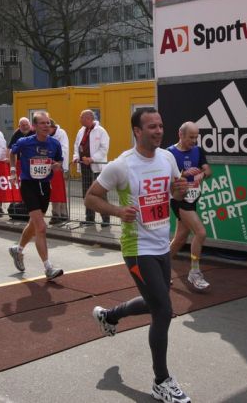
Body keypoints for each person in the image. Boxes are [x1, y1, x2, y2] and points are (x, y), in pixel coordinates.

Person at [85, 108, 191, 403]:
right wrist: (118, 211)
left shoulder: (167, 158)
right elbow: (91, 197)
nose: (158, 131)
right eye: (152, 127)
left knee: (156, 301)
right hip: (137, 248)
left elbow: (175, 194)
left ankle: (109, 316)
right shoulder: (121, 165)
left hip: (161, 245)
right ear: (137, 131)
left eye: (160, 125)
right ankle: (161, 381)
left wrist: (180, 190)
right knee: (163, 309)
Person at [7, 111, 65, 281]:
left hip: (45, 186)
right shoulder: (25, 142)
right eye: (42, 123)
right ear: (34, 126)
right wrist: (12, 171)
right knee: (41, 227)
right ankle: (48, 267)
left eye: (48, 123)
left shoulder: (55, 143)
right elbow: (12, 153)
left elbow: (59, 161)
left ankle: (17, 250)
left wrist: (56, 165)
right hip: (28, 185)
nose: (46, 126)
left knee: (34, 224)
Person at [167, 121, 212, 291]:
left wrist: (202, 175)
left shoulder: (198, 150)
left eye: (196, 137)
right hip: (179, 198)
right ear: (181, 134)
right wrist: (184, 174)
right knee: (201, 233)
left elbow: (208, 170)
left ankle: (161, 269)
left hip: (193, 199)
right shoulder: (169, 153)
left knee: (180, 238)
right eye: (191, 137)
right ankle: (194, 272)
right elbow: (166, 177)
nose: (194, 141)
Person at [72, 109, 110, 225]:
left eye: (81, 117)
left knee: (100, 194)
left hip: (97, 167)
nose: (79, 119)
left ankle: (106, 219)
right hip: (84, 166)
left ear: (88, 118)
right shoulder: (81, 131)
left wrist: (92, 159)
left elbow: (104, 149)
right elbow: (76, 146)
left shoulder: (101, 131)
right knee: (86, 193)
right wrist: (76, 157)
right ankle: (89, 218)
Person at [48, 118, 69, 225]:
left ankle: (61, 214)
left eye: (48, 129)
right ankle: (58, 214)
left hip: (60, 167)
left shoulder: (61, 134)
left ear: (52, 127)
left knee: (60, 191)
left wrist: (58, 162)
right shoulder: (48, 135)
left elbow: (64, 150)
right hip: (51, 167)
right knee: (55, 191)